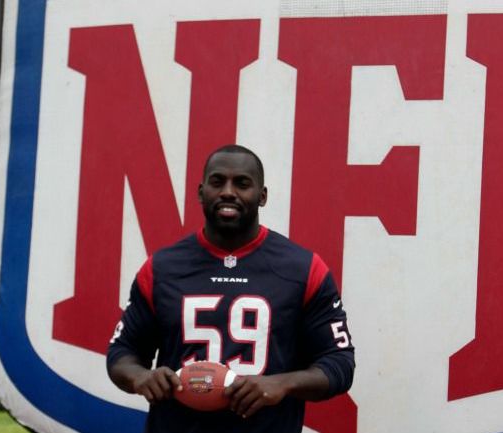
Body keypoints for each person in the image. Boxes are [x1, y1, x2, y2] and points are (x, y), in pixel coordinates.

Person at [107, 144, 355, 433]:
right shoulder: (161, 268)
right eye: (217, 181)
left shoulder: (304, 269)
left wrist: (283, 383)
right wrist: (140, 377)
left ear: (262, 196)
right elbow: (123, 352)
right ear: (201, 192)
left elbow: (340, 363)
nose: (227, 191)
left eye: (242, 183)